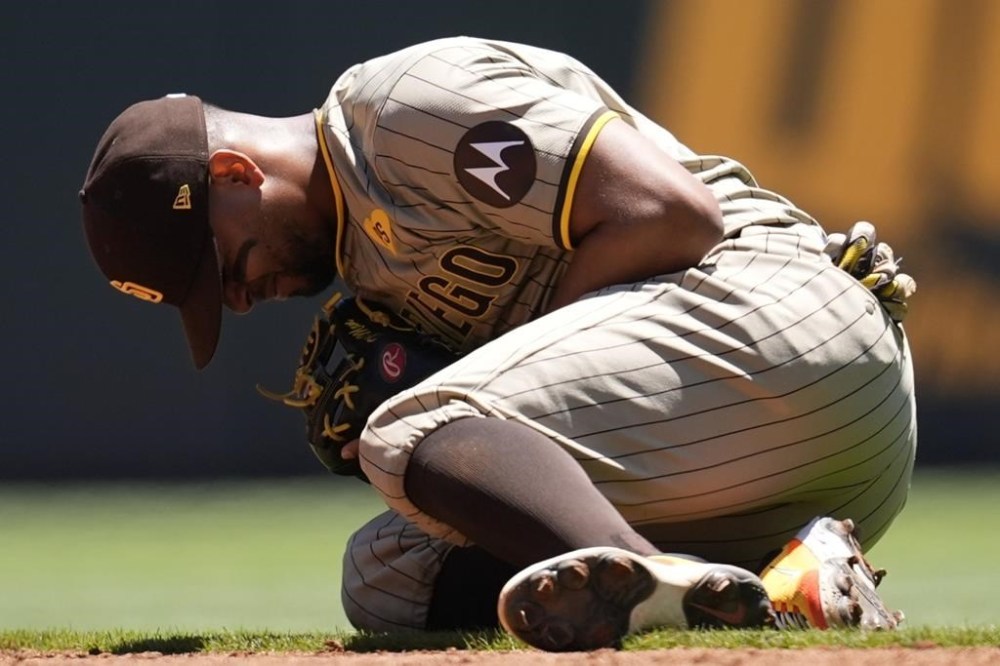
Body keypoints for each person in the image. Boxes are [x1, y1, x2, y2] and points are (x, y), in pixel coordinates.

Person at [80, 37, 916, 651]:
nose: (234, 297)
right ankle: (785, 591)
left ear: (233, 174)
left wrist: (469, 392)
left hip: (780, 319)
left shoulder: (399, 110)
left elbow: (673, 214)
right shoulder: (370, 269)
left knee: (409, 431)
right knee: (387, 577)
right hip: (776, 469)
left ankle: (672, 614)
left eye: (218, 264)